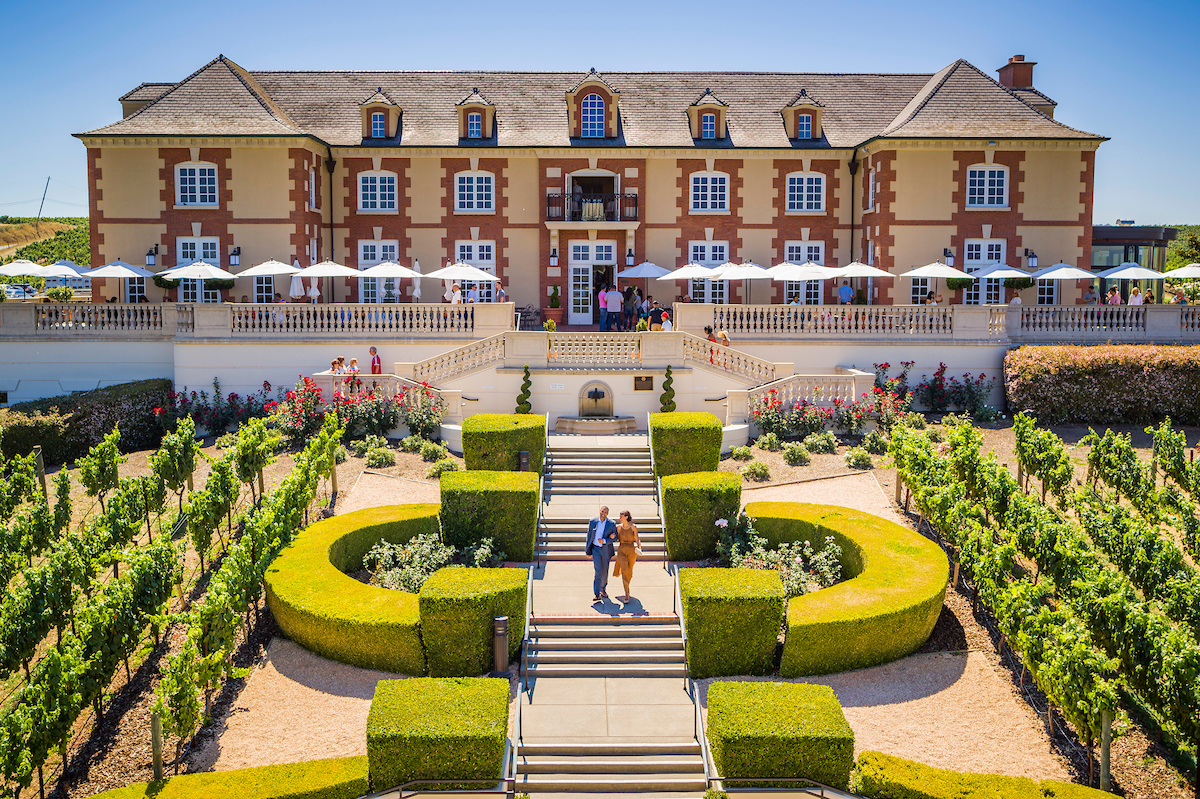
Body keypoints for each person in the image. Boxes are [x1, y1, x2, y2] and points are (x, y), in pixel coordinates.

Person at [585, 506, 618, 602]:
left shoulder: (611, 524)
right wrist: (587, 550)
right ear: (600, 511)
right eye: (602, 511)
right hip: (596, 550)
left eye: (606, 512)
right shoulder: (593, 521)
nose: (603, 513)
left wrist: (604, 540)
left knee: (605, 571)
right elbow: (589, 536)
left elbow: (615, 538)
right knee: (598, 571)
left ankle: (603, 589)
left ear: (608, 514)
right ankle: (596, 593)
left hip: (606, 550)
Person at [612, 511, 642, 602]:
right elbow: (616, 538)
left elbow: (637, 538)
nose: (620, 518)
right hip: (621, 549)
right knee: (624, 570)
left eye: (621, 516)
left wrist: (639, 547)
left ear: (626, 517)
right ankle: (626, 593)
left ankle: (627, 587)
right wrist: (612, 536)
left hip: (631, 550)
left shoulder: (633, 527)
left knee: (629, 570)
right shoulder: (618, 527)